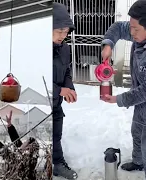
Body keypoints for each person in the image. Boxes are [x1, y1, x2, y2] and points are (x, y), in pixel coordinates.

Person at [100, 1, 146, 180]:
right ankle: (138, 162)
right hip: (140, 104)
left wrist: (118, 99)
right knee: (136, 132)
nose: (131, 32)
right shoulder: (141, 30)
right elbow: (117, 28)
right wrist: (108, 44)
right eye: (131, 27)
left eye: (135, 29)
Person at [52, 2, 78, 179]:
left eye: (66, 31)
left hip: (56, 104)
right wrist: (59, 90)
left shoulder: (65, 48)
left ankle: (57, 163)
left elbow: (67, 71)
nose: (63, 35)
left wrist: (69, 87)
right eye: (59, 31)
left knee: (57, 135)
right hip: (43, 105)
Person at [0, 110, 40, 179]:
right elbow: (17, 142)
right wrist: (10, 125)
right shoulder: (27, 155)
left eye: (25, 143)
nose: (22, 144)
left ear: (29, 148)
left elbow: (9, 155)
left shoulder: (26, 161)